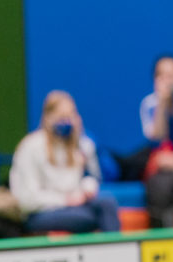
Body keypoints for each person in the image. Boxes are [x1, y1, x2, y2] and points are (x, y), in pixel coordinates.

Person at [10, 90, 120, 234]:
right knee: (87, 217)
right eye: (62, 117)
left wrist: (87, 188)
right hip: (38, 213)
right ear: (48, 118)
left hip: (72, 207)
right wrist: (65, 200)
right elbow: (28, 200)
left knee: (108, 204)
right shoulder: (31, 146)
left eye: (71, 117)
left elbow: (90, 179)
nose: (67, 122)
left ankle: (115, 253)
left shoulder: (77, 146)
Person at [140, 54, 173, 227]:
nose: (167, 81)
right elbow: (158, 138)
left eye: (171, 75)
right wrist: (163, 103)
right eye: (161, 76)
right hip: (172, 168)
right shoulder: (149, 104)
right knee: (158, 186)